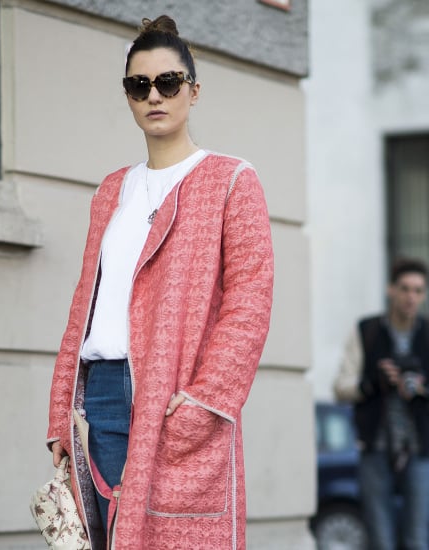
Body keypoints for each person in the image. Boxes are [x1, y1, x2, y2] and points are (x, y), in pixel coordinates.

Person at [46, 14, 274, 550]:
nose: (155, 95)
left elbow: (249, 302)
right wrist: (61, 407)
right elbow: (84, 305)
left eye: (168, 82)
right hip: (99, 393)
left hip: (173, 397)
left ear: (194, 91)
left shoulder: (231, 181)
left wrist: (205, 401)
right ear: (128, 96)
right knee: (109, 538)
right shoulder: (111, 191)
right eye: (138, 85)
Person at [334, 258, 429, 550]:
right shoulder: (367, 331)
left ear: (425, 294)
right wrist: (374, 383)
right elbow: (341, 387)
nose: (410, 297)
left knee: (418, 539)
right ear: (390, 290)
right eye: (404, 288)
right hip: (374, 447)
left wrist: (420, 390)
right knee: (380, 540)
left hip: (420, 449)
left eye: (418, 290)